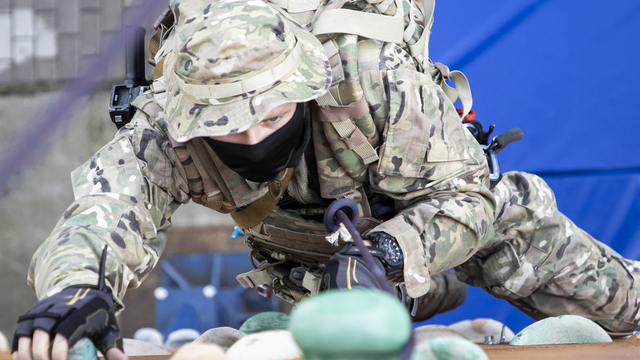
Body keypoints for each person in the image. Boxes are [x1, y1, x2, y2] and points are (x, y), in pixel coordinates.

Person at [13, 0, 640, 359]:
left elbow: (467, 197)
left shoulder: (372, 75)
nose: (255, 139)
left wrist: (390, 253)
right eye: (229, 131)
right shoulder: (170, 119)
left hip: (450, 219)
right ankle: (426, 297)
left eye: (274, 116)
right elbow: (104, 212)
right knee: (341, 343)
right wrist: (77, 289)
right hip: (313, 257)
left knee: (612, 304)